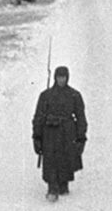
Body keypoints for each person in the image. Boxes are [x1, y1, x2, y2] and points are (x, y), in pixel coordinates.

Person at [31, 65, 88, 202]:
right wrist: (37, 136)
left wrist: (81, 137)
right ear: (55, 78)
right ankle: (52, 187)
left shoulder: (74, 95)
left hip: (67, 133)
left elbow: (81, 118)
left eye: (63, 77)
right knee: (50, 159)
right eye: (59, 77)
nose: (61, 80)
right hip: (50, 133)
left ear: (67, 78)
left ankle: (63, 184)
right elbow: (39, 117)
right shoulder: (46, 96)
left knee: (66, 159)